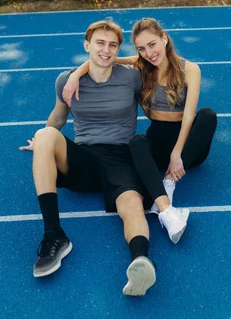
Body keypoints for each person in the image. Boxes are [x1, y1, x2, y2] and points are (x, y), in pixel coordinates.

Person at [19, 19, 189, 297]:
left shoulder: (133, 76)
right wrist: (43, 144)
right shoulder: (65, 80)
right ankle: (54, 236)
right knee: (45, 135)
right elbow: (59, 116)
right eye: (100, 43)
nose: (106, 50)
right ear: (87, 45)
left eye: (113, 45)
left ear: (118, 49)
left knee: (133, 205)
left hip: (122, 156)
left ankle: (140, 261)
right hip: (84, 158)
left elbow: (158, 62)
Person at [62, 17, 217, 215]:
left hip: (189, 148)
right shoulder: (142, 65)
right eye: (142, 49)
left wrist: (177, 154)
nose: (149, 53)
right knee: (136, 143)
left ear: (164, 38)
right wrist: (75, 76)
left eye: (152, 44)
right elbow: (104, 59)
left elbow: (189, 117)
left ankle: (168, 181)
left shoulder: (190, 69)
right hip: (158, 145)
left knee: (207, 115)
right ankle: (161, 196)